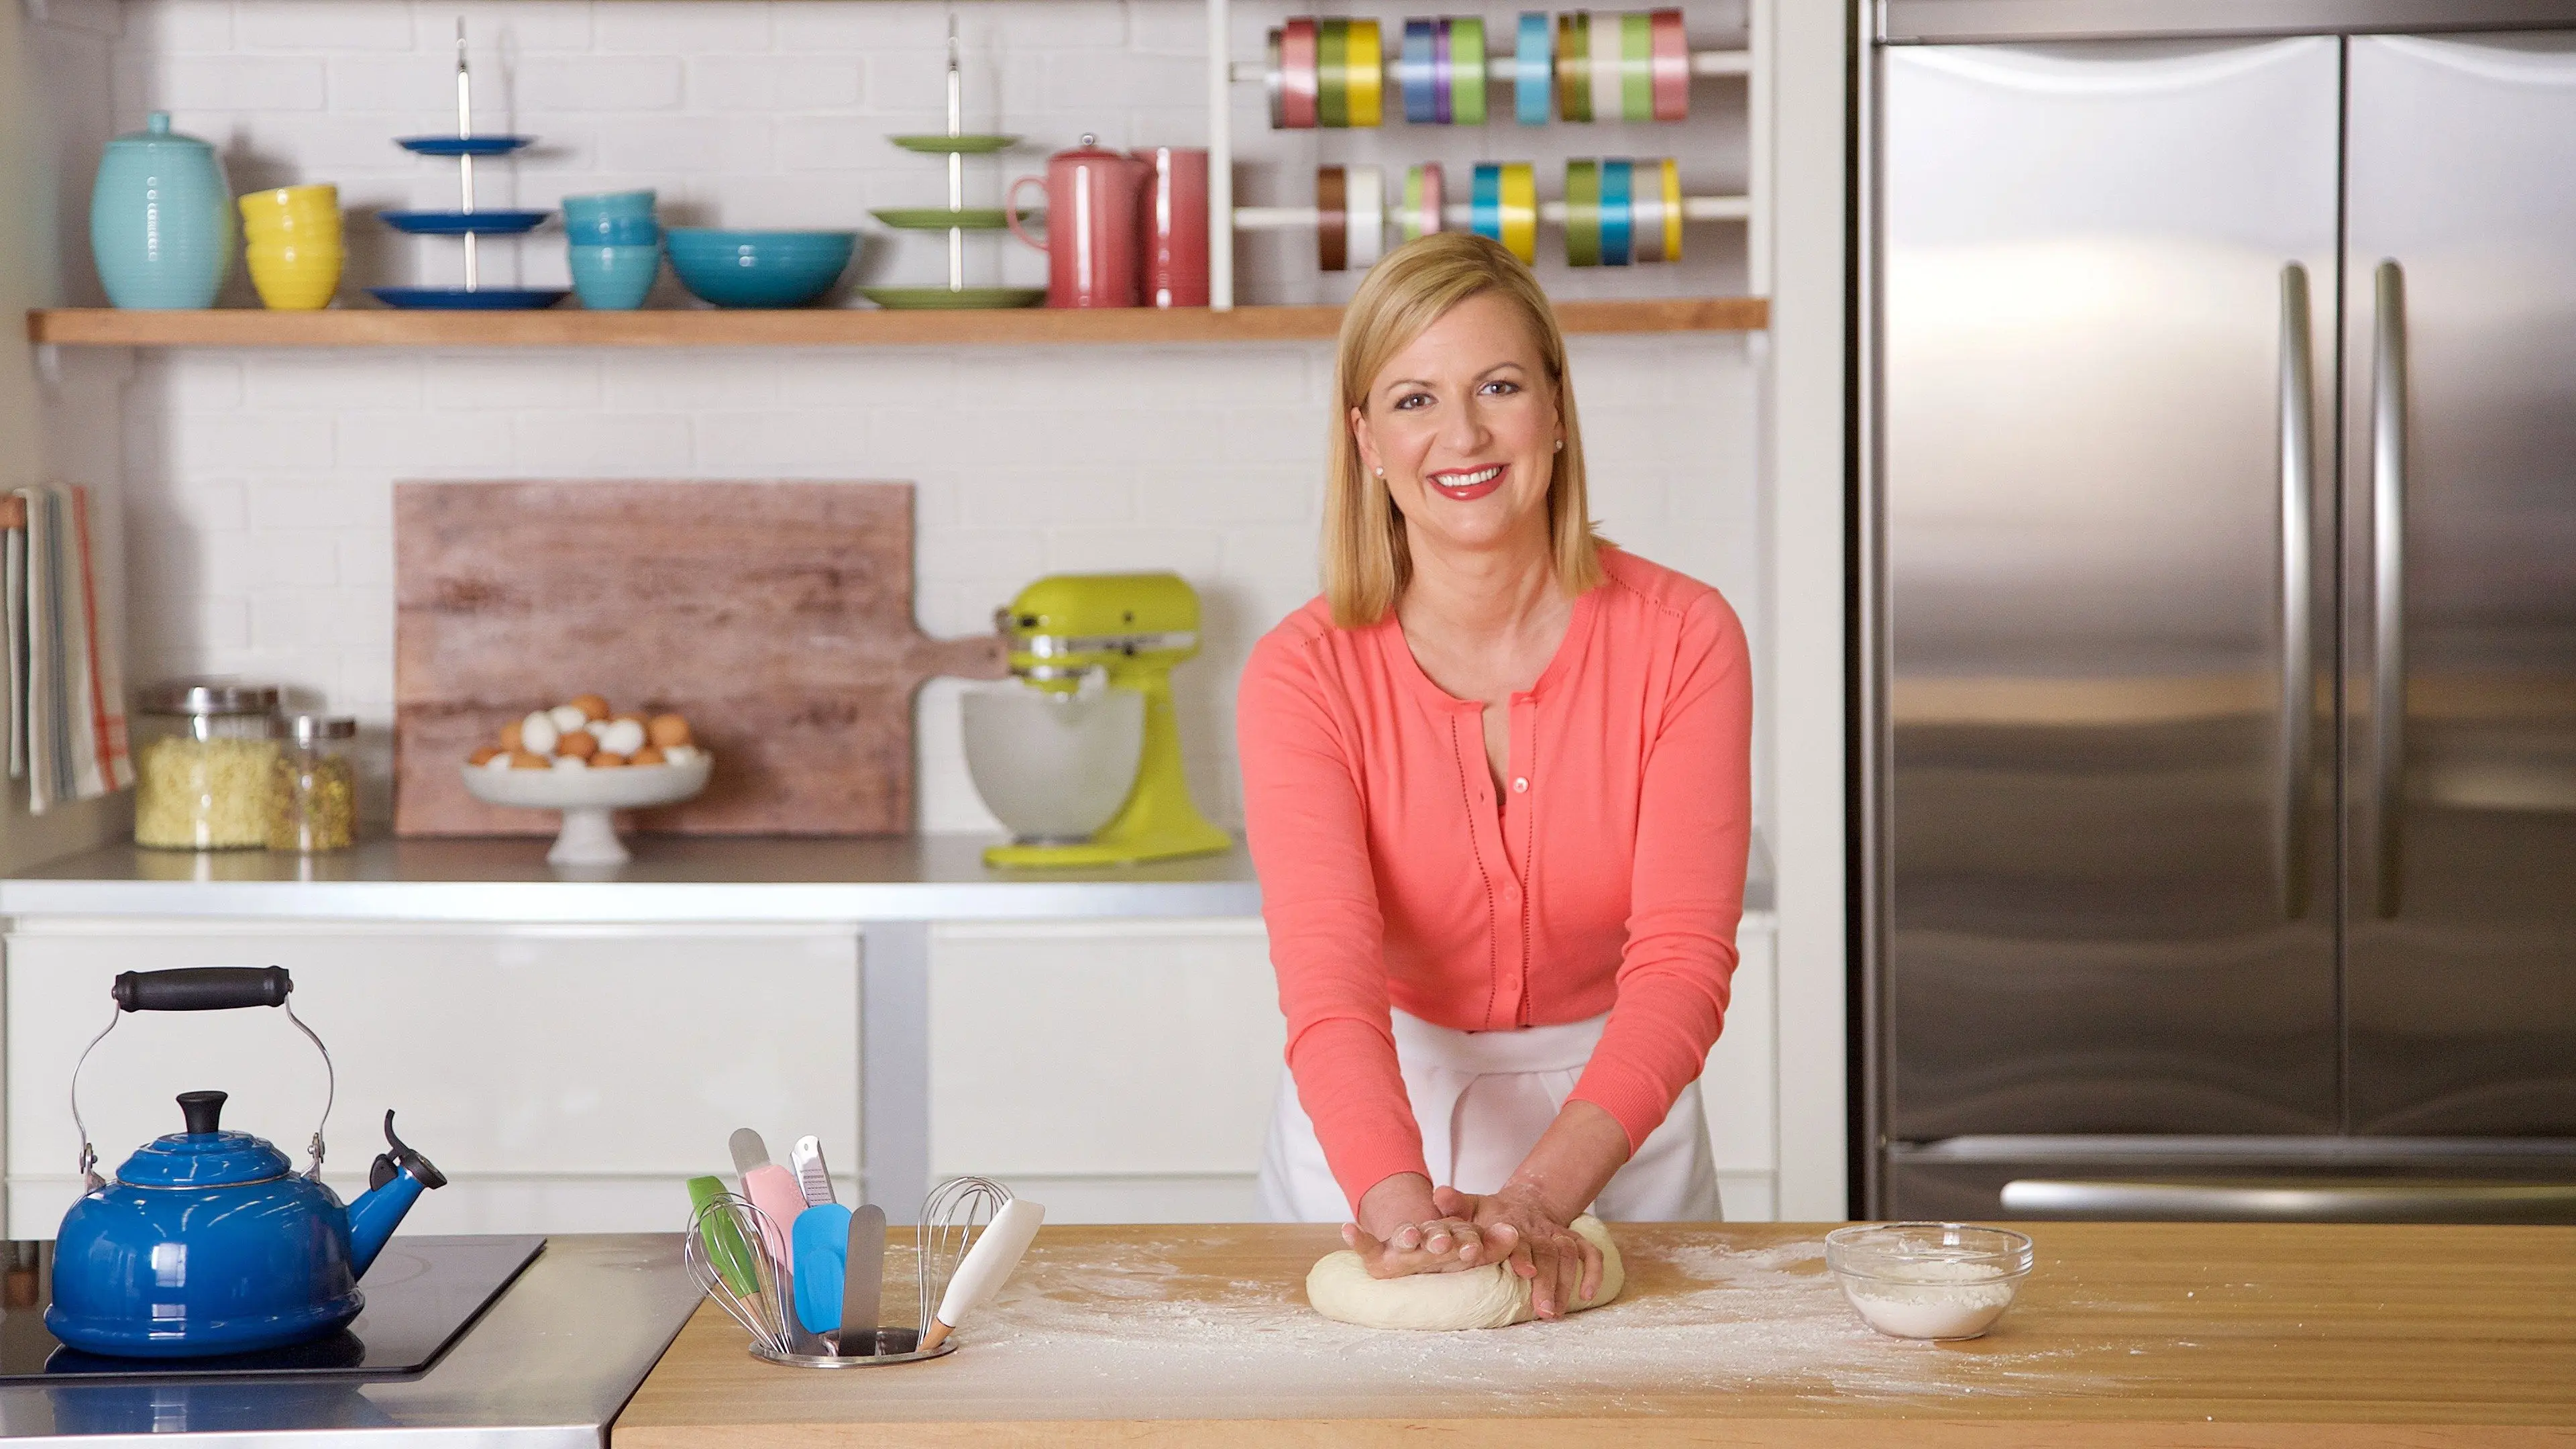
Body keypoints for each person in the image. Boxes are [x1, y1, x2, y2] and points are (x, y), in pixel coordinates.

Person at [1236, 232, 1753, 1320]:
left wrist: (1540, 1200)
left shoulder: (1684, 638)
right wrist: (1395, 1204)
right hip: (1374, 1136)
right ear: (1365, 440)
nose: (1462, 435)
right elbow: (1329, 980)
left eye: (1499, 386)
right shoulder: (1303, 673)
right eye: (1414, 399)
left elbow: (1681, 965)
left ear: (1556, 411)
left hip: (1620, 1130)